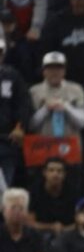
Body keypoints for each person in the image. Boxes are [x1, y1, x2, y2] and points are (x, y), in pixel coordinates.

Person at [29, 51, 84, 138]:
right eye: (50, 68)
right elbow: (30, 125)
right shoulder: (34, 91)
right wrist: (46, 108)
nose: (54, 72)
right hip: (43, 145)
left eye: (58, 68)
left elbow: (82, 123)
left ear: (64, 71)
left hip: (70, 145)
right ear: (44, 71)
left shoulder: (76, 89)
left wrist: (66, 106)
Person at [0, 36, 31, 188]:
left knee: (5, 189)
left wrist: (20, 127)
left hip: (6, 140)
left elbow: (23, 103)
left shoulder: (12, 76)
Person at [27, 157, 78, 235]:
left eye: (59, 171)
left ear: (64, 174)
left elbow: (80, 221)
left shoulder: (73, 191)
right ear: (44, 173)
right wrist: (51, 227)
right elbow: (29, 223)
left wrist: (64, 229)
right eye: (51, 170)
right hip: (39, 233)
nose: (55, 174)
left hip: (68, 233)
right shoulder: (33, 192)